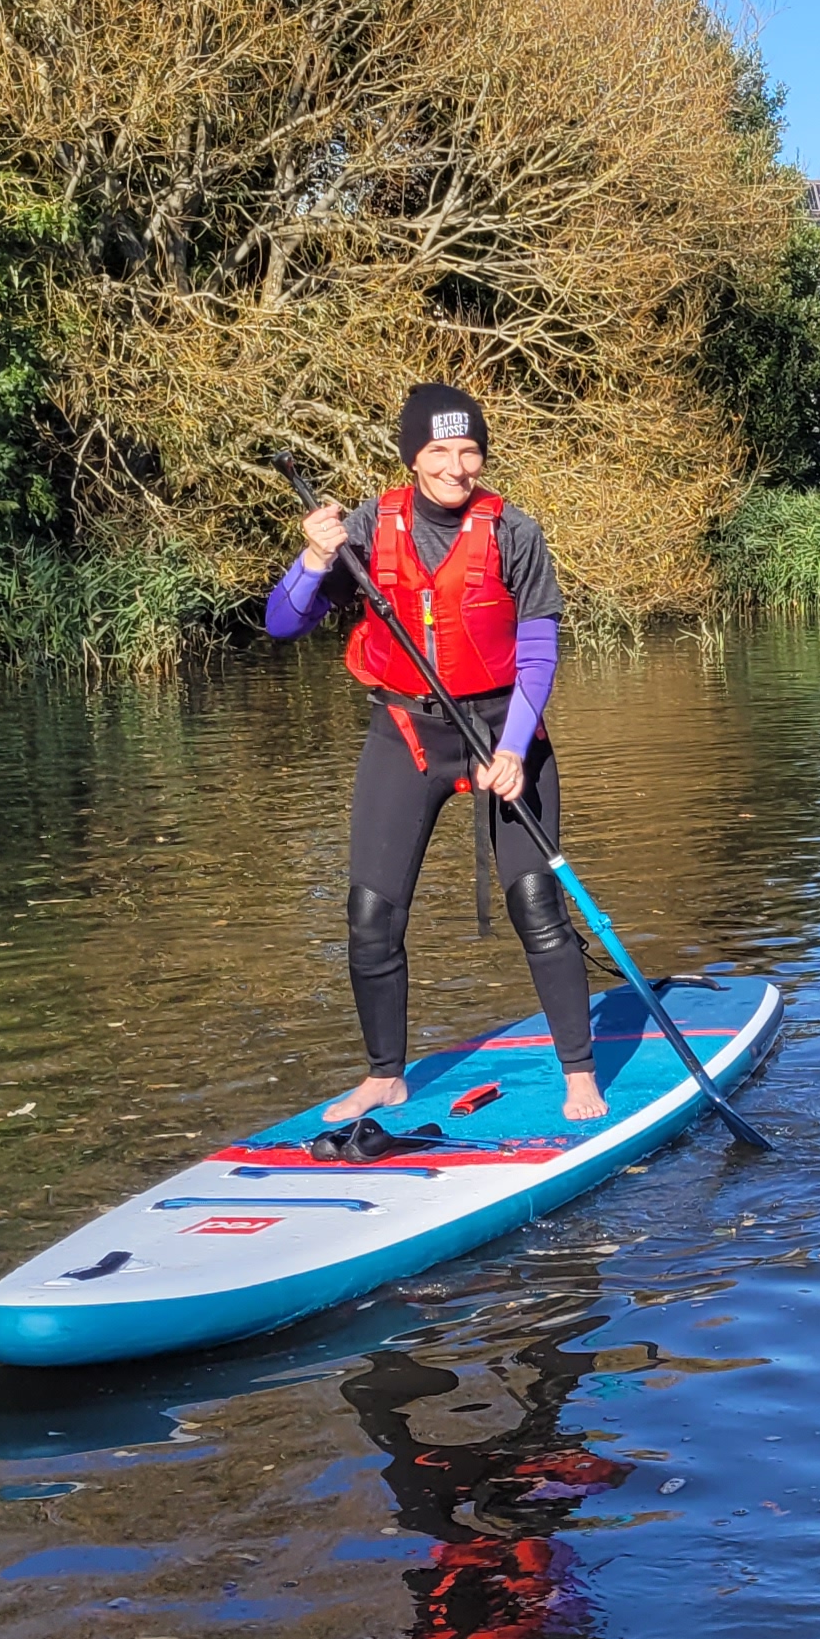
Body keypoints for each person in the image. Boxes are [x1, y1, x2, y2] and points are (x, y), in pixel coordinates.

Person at [264, 384, 605, 1123]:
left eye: (470, 451)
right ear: (413, 457)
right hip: (407, 735)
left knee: (537, 904)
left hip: (500, 728)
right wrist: (314, 560)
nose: (458, 467)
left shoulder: (514, 531)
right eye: (441, 452)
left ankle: (579, 1071)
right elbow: (282, 624)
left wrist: (514, 748)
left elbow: (540, 649)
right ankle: (386, 1074)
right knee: (369, 914)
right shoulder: (361, 527)